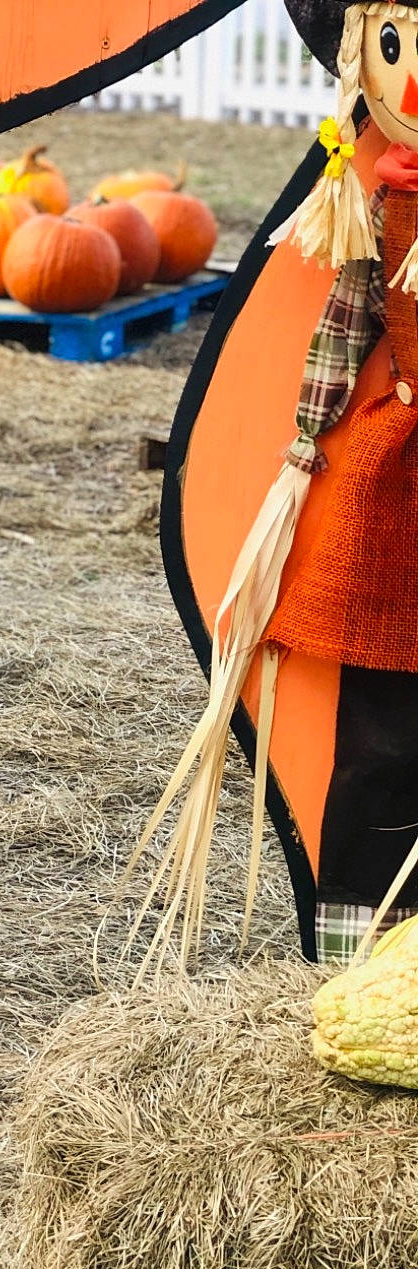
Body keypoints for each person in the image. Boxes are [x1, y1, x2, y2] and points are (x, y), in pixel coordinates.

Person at [140, 0, 418, 965]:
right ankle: (370, 940)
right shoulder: (370, 191)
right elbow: (347, 317)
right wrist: (304, 441)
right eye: (394, 50)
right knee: (383, 704)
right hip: (401, 478)